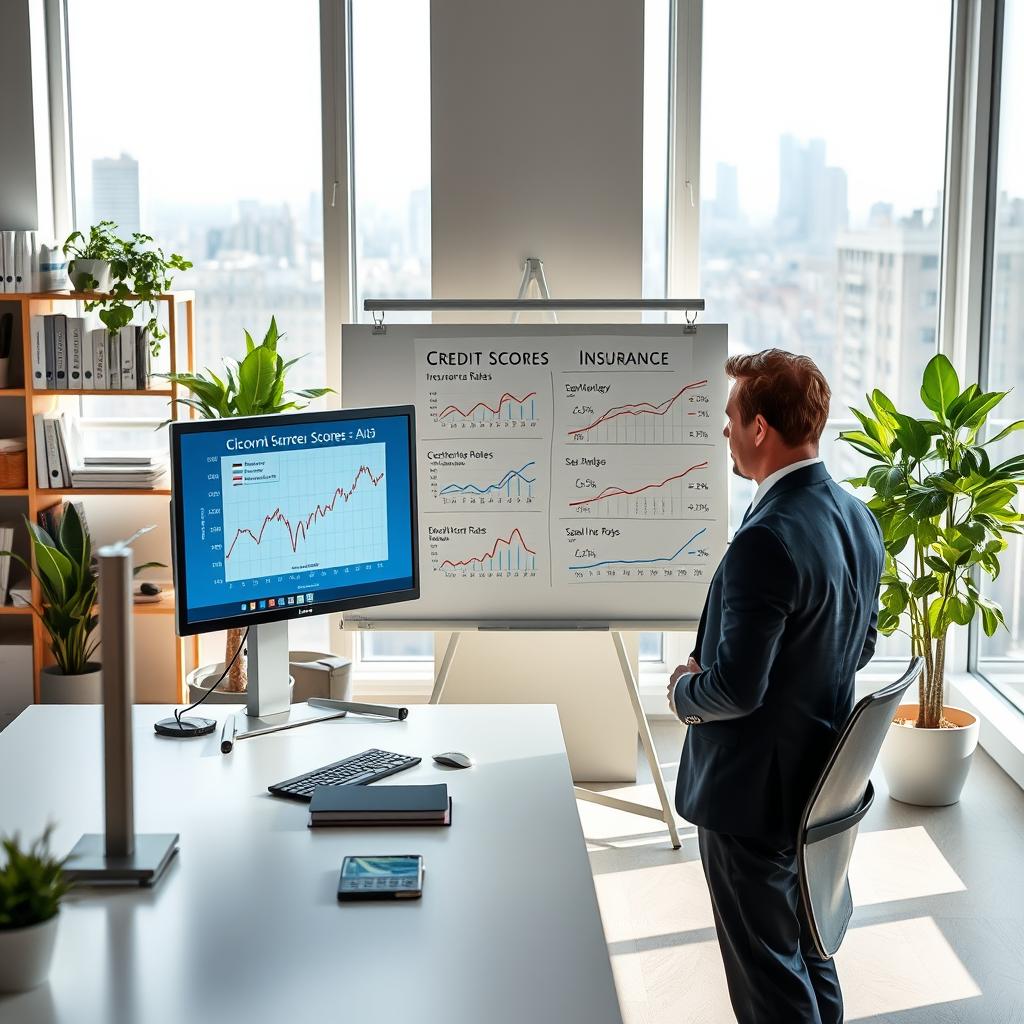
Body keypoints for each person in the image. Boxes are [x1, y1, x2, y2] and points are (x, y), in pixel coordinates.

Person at [668, 349, 884, 1024]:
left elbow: (734, 691)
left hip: (752, 798)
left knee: (767, 976)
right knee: (808, 947)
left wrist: (682, 692)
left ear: (760, 428)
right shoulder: (856, 517)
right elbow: (862, 642)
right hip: (820, 782)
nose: (724, 432)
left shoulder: (766, 538)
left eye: (731, 417)